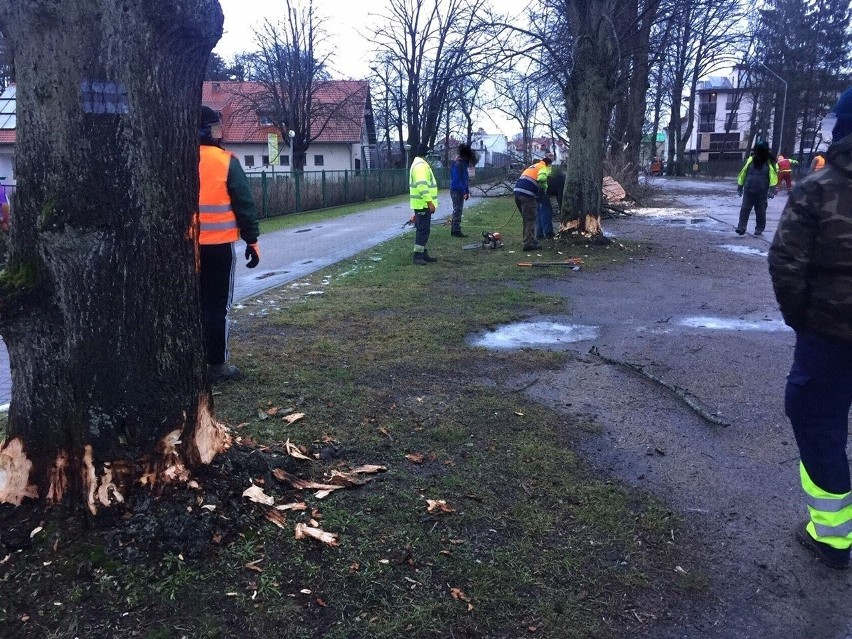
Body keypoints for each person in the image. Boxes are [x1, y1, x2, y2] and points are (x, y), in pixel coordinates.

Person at [768, 87, 852, 570]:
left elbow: (786, 261)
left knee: (820, 423)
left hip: (831, 338)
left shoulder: (819, 188)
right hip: (827, 333)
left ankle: (835, 539)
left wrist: (803, 318)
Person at [198, 105, 261, 382]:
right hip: (220, 247)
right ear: (210, 130)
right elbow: (244, 204)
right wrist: (252, 241)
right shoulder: (226, 161)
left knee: (191, 305)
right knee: (217, 307)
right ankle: (217, 366)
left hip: (184, 249)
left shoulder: (174, 159)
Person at [735, 141, 778, 236]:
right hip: (748, 190)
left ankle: (759, 228)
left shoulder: (769, 163)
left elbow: (773, 177)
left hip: (762, 192)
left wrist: (772, 190)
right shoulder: (750, 160)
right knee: (745, 209)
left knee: (761, 211)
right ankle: (741, 227)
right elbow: (743, 174)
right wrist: (739, 187)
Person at [513, 155, 552, 251]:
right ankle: (528, 244)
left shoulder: (534, 166)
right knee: (530, 219)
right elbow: (542, 179)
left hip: (517, 193)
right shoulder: (543, 167)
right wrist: (544, 188)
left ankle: (530, 239)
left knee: (526, 219)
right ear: (548, 164)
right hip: (527, 194)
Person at [409, 144, 438, 265]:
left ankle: (423, 253)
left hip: (422, 204)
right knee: (422, 230)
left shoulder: (419, 164)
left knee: (424, 230)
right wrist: (429, 202)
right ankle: (418, 256)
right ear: (426, 155)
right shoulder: (421, 166)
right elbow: (422, 186)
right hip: (423, 204)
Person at [449, 144, 477, 238]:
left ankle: (455, 229)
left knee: (458, 210)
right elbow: (457, 180)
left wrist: (466, 191)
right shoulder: (459, 165)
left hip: (459, 189)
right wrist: (464, 192)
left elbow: (464, 179)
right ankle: (455, 230)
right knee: (457, 210)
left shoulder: (461, 164)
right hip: (456, 190)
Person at [535, 153, 555, 242]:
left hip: (534, 190)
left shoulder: (537, 165)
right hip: (541, 191)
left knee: (539, 211)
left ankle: (539, 233)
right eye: (549, 156)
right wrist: (545, 188)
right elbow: (542, 178)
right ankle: (548, 233)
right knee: (545, 210)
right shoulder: (545, 167)